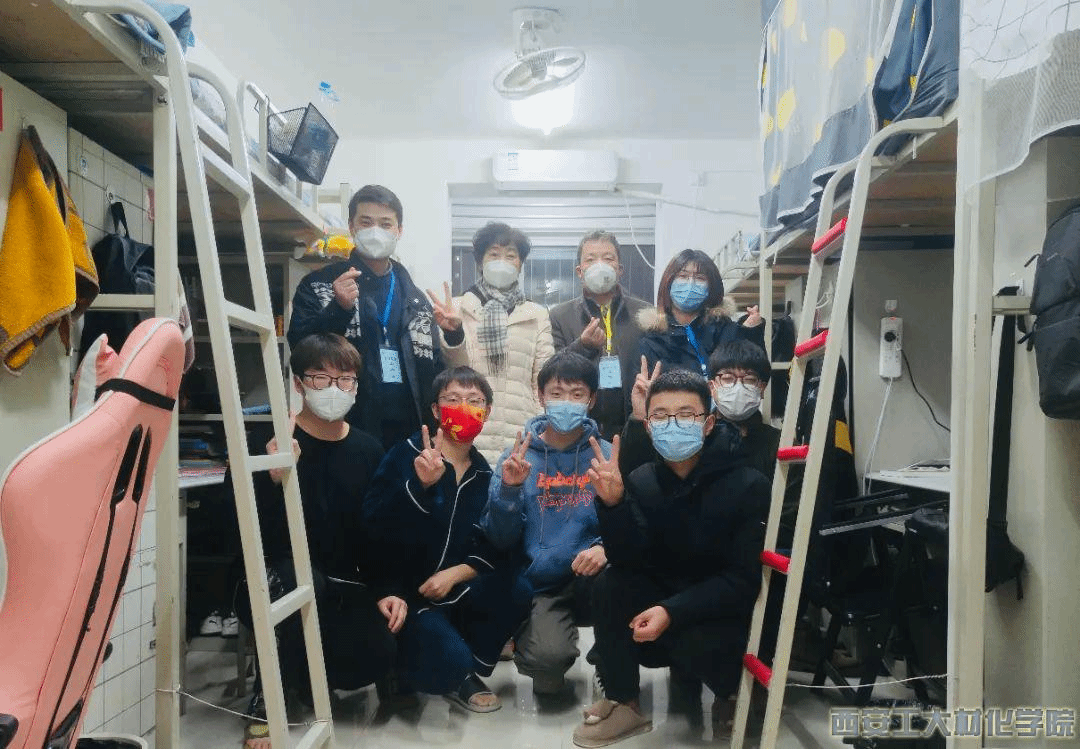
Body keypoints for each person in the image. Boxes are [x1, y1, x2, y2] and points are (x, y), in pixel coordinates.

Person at [572, 370, 770, 747]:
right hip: (664, 605)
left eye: (687, 414)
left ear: (708, 424)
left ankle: (732, 694)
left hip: (719, 615)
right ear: (648, 427)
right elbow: (629, 561)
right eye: (661, 416)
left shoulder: (748, 485)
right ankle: (624, 701)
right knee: (609, 583)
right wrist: (613, 505)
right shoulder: (642, 479)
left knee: (699, 642)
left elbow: (742, 580)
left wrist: (671, 611)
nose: (673, 424)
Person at [237, 333, 405, 749]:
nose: (334, 389)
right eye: (320, 378)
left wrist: (388, 589)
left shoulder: (368, 449)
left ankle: (307, 677)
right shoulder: (269, 443)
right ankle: (269, 699)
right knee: (302, 579)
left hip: (342, 588)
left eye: (345, 379)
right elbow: (244, 532)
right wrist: (274, 479)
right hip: (275, 582)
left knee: (373, 655)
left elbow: (378, 534)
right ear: (298, 383)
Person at [362, 366, 532, 713]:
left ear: (487, 412)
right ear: (436, 410)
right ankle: (422, 663)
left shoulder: (484, 473)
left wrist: (456, 573)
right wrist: (420, 486)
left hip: (453, 590)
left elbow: (495, 546)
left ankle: (462, 666)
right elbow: (373, 525)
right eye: (452, 399)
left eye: (474, 401)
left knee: (520, 588)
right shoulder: (406, 454)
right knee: (443, 663)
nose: (464, 407)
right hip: (405, 595)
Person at [483, 350, 611, 698]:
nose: (566, 402)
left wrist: (606, 548)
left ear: (592, 400)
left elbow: (631, 524)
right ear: (540, 396)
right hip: (542, 584)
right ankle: (539, 639)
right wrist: (509, 490)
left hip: (595, 576)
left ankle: (612, 662)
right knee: (547, 666)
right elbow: (498, 538)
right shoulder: (517, 457)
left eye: (577, 394)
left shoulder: (607, 455)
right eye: (557, 393)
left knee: (625, 581)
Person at [287, 184, 441, 450]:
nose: (375, 231)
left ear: (399, 230)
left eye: (385, 224)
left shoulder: (416, 300)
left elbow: (435, 369)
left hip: (410, 434)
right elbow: (300, 350)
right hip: (343, 429)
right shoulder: (320, 285)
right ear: (352, 227)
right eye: (366, 222)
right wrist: (337, 309)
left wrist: (453, 334)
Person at [427, 221, 554, 465]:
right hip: (469, 427)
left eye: (511, 256)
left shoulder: (537, 314)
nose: (502, 262)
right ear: (480, 262)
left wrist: (539, 429)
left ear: (520, 264)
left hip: (521, 430)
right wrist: (454, 333)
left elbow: (543, 380)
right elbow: (455, 373)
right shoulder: (456, 308)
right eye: (494, 254)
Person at [548, 230, 651, 441]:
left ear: (619, 269)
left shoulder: (645, 314)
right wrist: (583, 346)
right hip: (578, 428)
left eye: (608, 258)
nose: (600, 265)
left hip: (634, 425)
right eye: (591, 259)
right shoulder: (559, 315)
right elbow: (551, 372)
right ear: (579, 271)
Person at [637, 249, 765, 379]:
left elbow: (756, 376)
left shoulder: (725, 329)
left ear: (711, 287)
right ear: (668, 282)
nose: (690, 284)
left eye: (700, 278)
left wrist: (751, 333)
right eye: (683, 276)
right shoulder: (652, 340)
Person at [708, 339, 780, 480]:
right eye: (727, 378)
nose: (738, 387)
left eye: (749, 379)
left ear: (762, 388)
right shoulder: (698, 439)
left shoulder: (779, 443)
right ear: (712, 387)